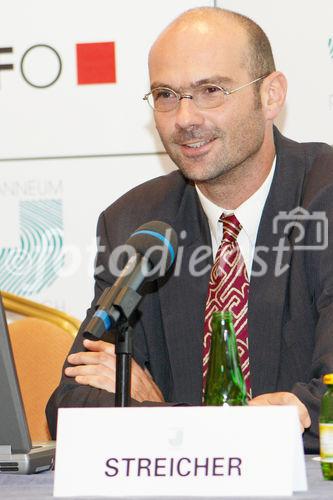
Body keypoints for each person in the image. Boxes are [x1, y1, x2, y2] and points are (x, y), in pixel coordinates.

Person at [46, 7, 333, 452]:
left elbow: (327, 398)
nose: (184, 119)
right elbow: (71, 405)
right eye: (165, 94)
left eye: (210, 91)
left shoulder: (325, 200)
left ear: (271, 95)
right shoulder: (135, 223)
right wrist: (197, 424)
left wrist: (165, 415)